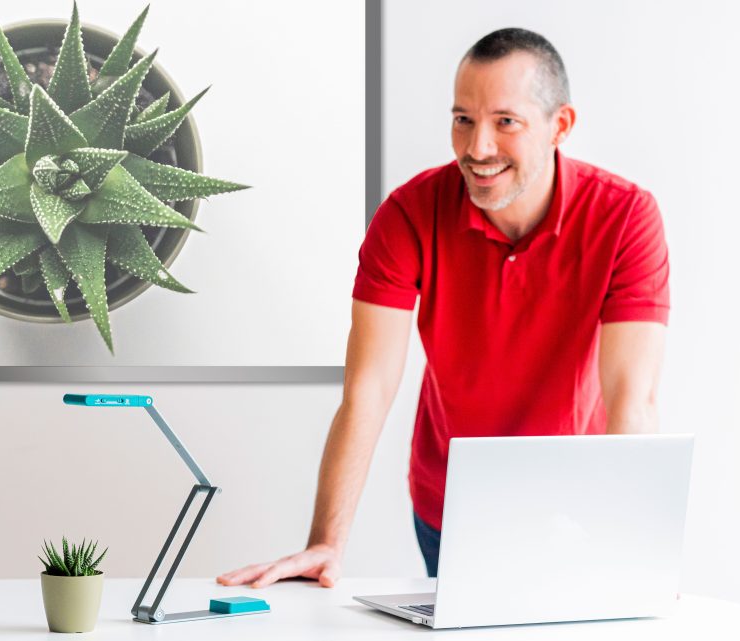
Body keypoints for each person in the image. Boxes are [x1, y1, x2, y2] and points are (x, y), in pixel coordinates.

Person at [217, 27, 669, 587]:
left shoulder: (625, 217)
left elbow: (633, 398)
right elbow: (369, 388)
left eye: (505, 122)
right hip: (449, 501)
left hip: (570, 506)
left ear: (560, 126)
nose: (477, 148)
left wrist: (622, 542)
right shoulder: (410, 214)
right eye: (463, 119)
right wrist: (326, 544)